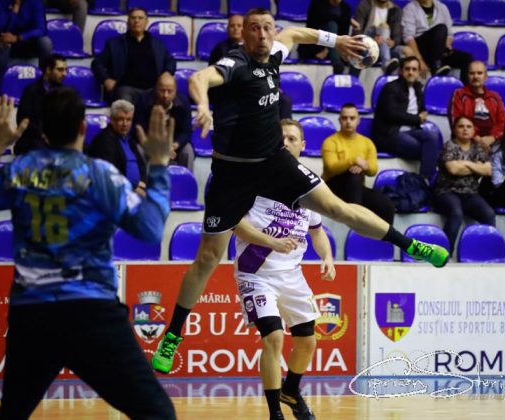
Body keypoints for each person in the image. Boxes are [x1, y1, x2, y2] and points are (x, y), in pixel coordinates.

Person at [151, 8, 449, 378]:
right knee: (208, 258)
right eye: (254, 29)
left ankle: (411, 245)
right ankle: (172, 335)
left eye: (267, 27)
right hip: (232, 172)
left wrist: (337, 40)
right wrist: (202, 106)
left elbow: (293, 33)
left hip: (274, 161)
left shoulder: (274, 52)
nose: (263, 34)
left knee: (339, 208)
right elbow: (199, 78)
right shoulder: (236, 63)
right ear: (244, 35)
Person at [0, 89, 176, 419]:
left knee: (11, 415)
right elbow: (150, 230)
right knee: (158, 414)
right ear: (84, 127)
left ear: (43, 132)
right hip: (91, 312)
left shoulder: (20, 170)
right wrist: (159, 166)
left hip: (32, 315)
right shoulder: (99, 174)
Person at [230, 118, 335, 420]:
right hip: (255, 273)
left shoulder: (310, 187)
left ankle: (291, 390)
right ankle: (275, 412)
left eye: (292, 138)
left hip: (292, 275)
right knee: (274, 337)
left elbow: (317, 230)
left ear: (303, 145)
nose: (286, 143)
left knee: (308, 340)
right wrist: (271, 242)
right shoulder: (255, 180)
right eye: (282, 138)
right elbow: (235, 224)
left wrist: (327, 256)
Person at [322, 103, 396, 223]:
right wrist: (354, 160)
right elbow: (330, 168)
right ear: (339, 120)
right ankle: (356, 219)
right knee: (354, 175)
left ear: (358, 120)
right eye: (344, 118)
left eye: (352, 118)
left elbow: (373, 170)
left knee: (387, 207)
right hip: (332, 188)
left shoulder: (367, 143)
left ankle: (384, 235)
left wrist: (365, 166)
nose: (348, 122)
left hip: (355, 187)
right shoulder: (330, 142)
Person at [372, 56, 440, 182]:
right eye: (407, 69)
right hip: (390, 133)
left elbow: (422, 111)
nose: (410, 72)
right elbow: (392, 114)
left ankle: (425, 180)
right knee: (425, 149)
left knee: (433, 137)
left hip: (411, 131)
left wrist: (421, 116)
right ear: (401, 71)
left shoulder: (418, 89)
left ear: (418, 72)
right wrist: (417, 119)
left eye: (414, 69)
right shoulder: (390, 88)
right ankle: (423, 181)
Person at [433, 116, 496, 252]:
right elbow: (453, 169)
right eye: (461, 126)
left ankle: (487, 252)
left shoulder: (478, 148)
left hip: (470, 193)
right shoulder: (449, 145)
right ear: (455, 130)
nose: (465, 129)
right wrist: (476, 166)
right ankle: (444, 254)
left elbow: (488, 171)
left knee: (489, 214)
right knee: (456, 214)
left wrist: (465, 163)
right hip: (447, 192)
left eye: (469, 127)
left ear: (473, 131)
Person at [91, 7, 176, 104]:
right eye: (133, 18)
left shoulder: (157, 44)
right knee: (124, 104)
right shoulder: (115, 44)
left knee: (175, 100)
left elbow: (171, 62)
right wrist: (106, 80)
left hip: (152, 90)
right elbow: (96, 63)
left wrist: (167, 72)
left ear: (146, 22)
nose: (136, 21)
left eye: (140, 18)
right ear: (128, 22)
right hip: (126, 89)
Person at [0, 0, 53, 97]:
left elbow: (41, 29)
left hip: (27, 42)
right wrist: (15, 10)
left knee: (46, 42)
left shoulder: (35, 2)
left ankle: (44, 87)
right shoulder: (1, 2)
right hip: (5, 41)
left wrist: (19, 37)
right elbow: (3, 29)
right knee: (3, 44)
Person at [86, 99, 148, 196]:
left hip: (136, 191)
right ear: (112, 120)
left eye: (128, 119)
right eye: (121, 119)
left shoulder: (130, 140)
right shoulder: (104, 141)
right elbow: (111, 174)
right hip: (117, 194)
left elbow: (141, 165)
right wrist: (134, 188)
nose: (125, 124)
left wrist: (143, 183)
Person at [134, 73, 194, 172]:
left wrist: (174, 145)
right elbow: (138, 128)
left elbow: (187, 131)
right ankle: (142, 179)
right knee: (138, 149)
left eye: (169, 91)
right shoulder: (143, 100)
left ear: (175, 91)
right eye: (162, 90)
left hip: (173, 144)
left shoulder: (183, 102)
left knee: (188, 151)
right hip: (149, 143)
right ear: (155, 89)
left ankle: (185, 179)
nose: (165, 95)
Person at [401, 0, 472, 82]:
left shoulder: (442, 7)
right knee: (441, 29)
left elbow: (449, 35)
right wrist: (419, 60)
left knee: (467, 58)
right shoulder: (409, 9)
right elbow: (408, 37)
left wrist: (446, 46)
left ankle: (465, 88)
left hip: (439, 50)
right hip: (421, 48)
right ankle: (436, 66)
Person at [15, 54, 67, 155]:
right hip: (33, 139)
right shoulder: (30, 91)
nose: (64, 74)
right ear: (48, 70)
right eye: (60, 70)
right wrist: (43, 135)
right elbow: (23, 120)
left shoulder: (65, 93)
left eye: (65, 70)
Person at [449, 61, 505, 151]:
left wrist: (492, 138)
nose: (475, 76)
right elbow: (456, 121)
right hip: (467, 140)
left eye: (479, 73)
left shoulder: (495, 97)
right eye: (472, 73)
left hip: (493, 142)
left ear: (486, 76)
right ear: (467, 76)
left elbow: (502, 122)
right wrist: (477, 139)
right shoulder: (459, 94)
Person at [353, 0, 412, 74]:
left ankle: (399, 79)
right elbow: (358, 31)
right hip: (367, 42)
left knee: (407, 51)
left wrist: (393, 42)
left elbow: (397, 35)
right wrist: (372, 40)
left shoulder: (395, 9)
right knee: (384, 27)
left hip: (386, 44)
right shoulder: (365, 5)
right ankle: (386, 63)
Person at [298, 0, 356, 74]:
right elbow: (313, 28)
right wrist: (349, 20)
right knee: (332, 25)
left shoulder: (345, 8)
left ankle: (339, 63)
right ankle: (337, 63)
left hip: (333, 49)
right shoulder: (318, 3)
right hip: (314, 45)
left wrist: (327, 50)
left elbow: (344, 34)